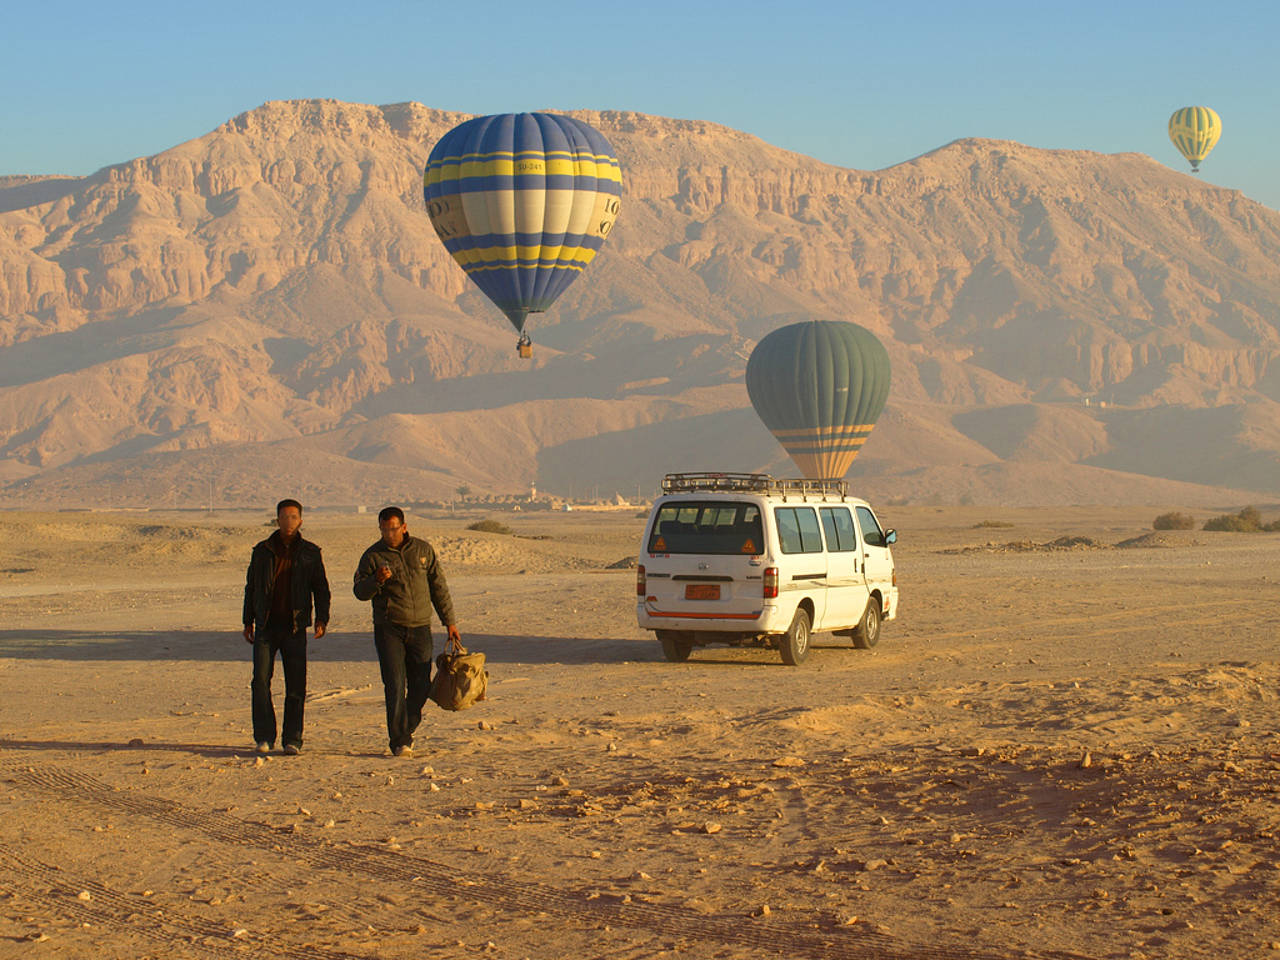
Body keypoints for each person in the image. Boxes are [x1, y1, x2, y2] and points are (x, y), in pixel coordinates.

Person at [353, 506, 460, 758]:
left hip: (421, 626)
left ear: (404, 526)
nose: (388, 534)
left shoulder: (423, 551)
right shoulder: (372, 557)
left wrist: (450, 622)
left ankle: (407, 726)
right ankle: (400, 740)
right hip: (389, 628)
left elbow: (438, 587)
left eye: (392, 528)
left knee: (421, 684)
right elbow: (359, 592)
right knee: (394, 683)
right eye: (383, 529)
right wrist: (376, 580)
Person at [242, 498, 331, 755]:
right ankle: (264, 736)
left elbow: (321, 588)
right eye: (284, 516)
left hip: (294, 627)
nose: (289, 521)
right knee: (260, 681)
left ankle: (293, 739)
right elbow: (252, 587)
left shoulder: (311, 553)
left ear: (300, 521)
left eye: (294, 517)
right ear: (277, 519)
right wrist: (247, 620)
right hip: (266, 627)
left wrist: (321, 619)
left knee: (296, 685)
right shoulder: (261, 551)